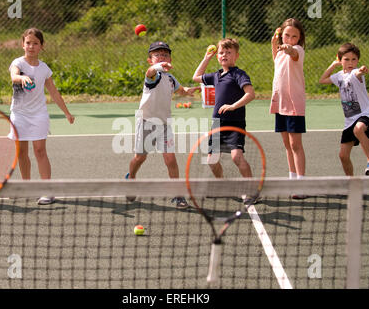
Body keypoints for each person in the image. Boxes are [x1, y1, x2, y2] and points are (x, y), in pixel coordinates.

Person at [126, 41, 199, 209]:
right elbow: (150, 72)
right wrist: (159, 66)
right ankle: (131, 179)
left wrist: (189, 90)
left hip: (164, 124)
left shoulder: (170, 78)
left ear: (170, 58)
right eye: (157, 55)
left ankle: (178, 195)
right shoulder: (153, 76)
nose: (162, 57)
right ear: (150, 60)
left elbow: (180, 90)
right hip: (146, 122)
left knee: (170, 159)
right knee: (140, 157)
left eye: (165, 54)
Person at [9, 28, 75, 205]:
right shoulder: (18, 63)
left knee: (39, 151)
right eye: (28, 43)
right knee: (21, 152)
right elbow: (14, 76)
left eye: (35, 43)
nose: (31, 46)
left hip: (38, 115)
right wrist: (21, 79)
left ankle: (47, 190)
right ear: (23, 44)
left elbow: (53, 92)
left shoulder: (44, 68)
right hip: (19, 114)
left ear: (41, 46)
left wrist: (67, 113)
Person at [192, 38, 257, 203]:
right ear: (217, 56)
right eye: (221, 52)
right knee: (212, 160)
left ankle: (252, 190)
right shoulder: (216, 76)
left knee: (236, 157)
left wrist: (233, 106)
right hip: (217, 124)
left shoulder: (239, 74)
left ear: (236, 56)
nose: (224, 55)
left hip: (235, 124)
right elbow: (196, 77)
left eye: (229, 52)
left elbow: (250, 94)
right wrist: (207, 57)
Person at [319, 43, 369, 176]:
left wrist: (362, 70)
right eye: (346, 59)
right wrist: (334, 65)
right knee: (343, 155)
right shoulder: (339, 76)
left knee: (358, 129)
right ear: (340, 60)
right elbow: (322, 80)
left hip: (364, 114)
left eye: (354, 59)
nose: (350, 62)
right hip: (349, 120)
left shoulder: (356, 74)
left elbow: (359, 72)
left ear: (357, 61)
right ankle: (351, 183)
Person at [270, 18, 307, 198]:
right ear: (281, 35)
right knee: (287, 144)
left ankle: (301, 183)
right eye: (287, 35)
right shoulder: (279, 52)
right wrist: (274, 43)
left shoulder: (298, 50)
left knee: (295, 144)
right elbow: (276, 61)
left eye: (294, 36)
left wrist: (288, 47)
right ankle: (292, 179)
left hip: (294, 104)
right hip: (280, 103)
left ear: (299, 39)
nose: (290, 39)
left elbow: (292, 52)